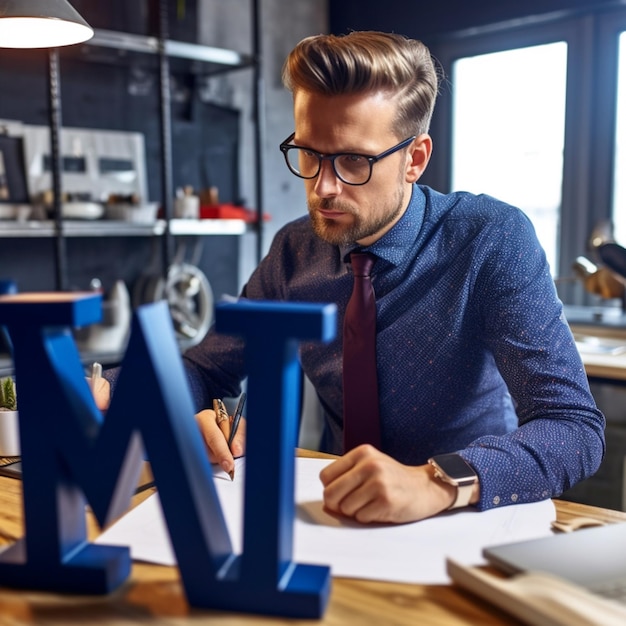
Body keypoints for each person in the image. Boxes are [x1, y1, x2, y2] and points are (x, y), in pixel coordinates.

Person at [97, 31, 604, 524]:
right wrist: (104, 391)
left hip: (461, 517)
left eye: (353, 161)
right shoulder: (294, 250)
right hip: (330, 512)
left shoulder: (490, 239)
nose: (323, 187)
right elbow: (207, 369)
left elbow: (573, 428)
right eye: (310, 153)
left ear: (415, 159)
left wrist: (435, 482)